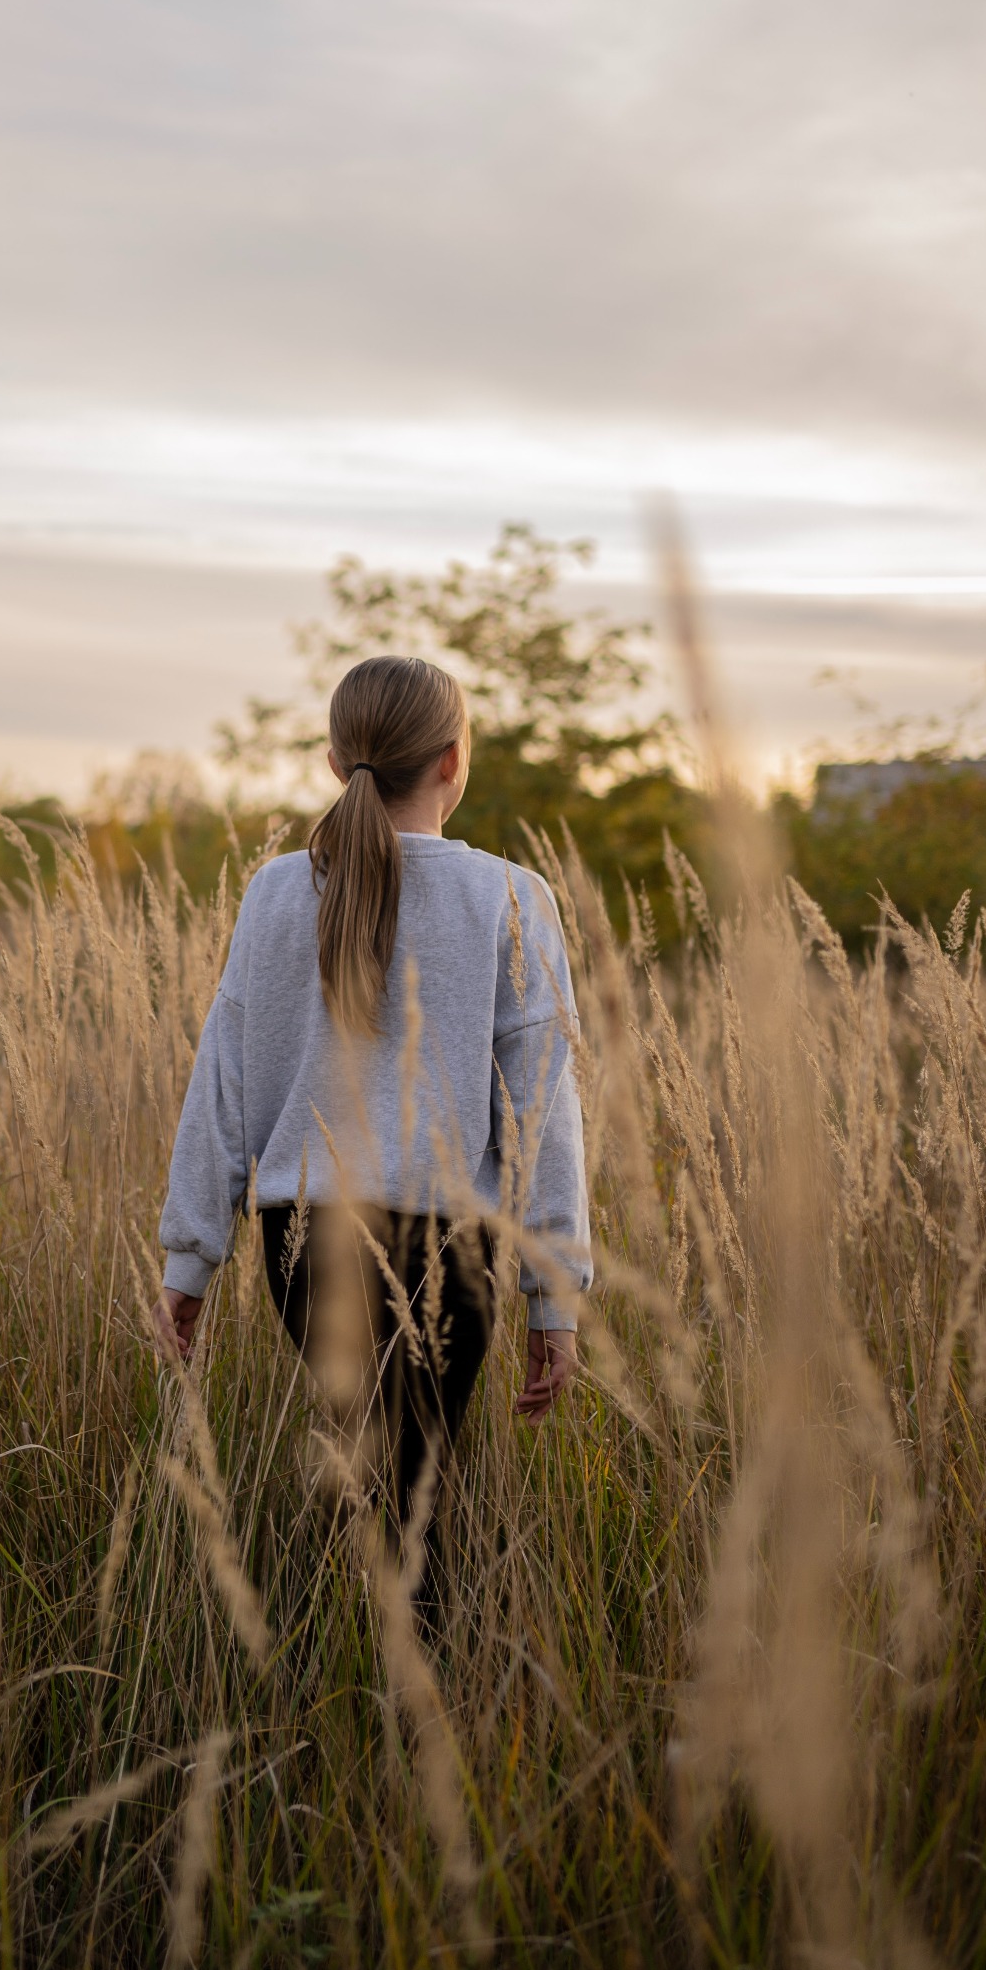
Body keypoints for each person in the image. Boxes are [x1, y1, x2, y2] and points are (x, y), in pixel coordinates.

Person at [153, 654, 592, 1602]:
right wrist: (553, 1292)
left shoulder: (273, 892)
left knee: (385, 1491)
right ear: (452, 759)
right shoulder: (510, 897)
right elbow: (543, 1111)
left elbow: (221, 1082)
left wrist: (190, 1259)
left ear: (332, 759)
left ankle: (343, 1679)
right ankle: (420, 1708)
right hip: (445, 1246)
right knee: (414, 1505)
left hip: (299, 1243)